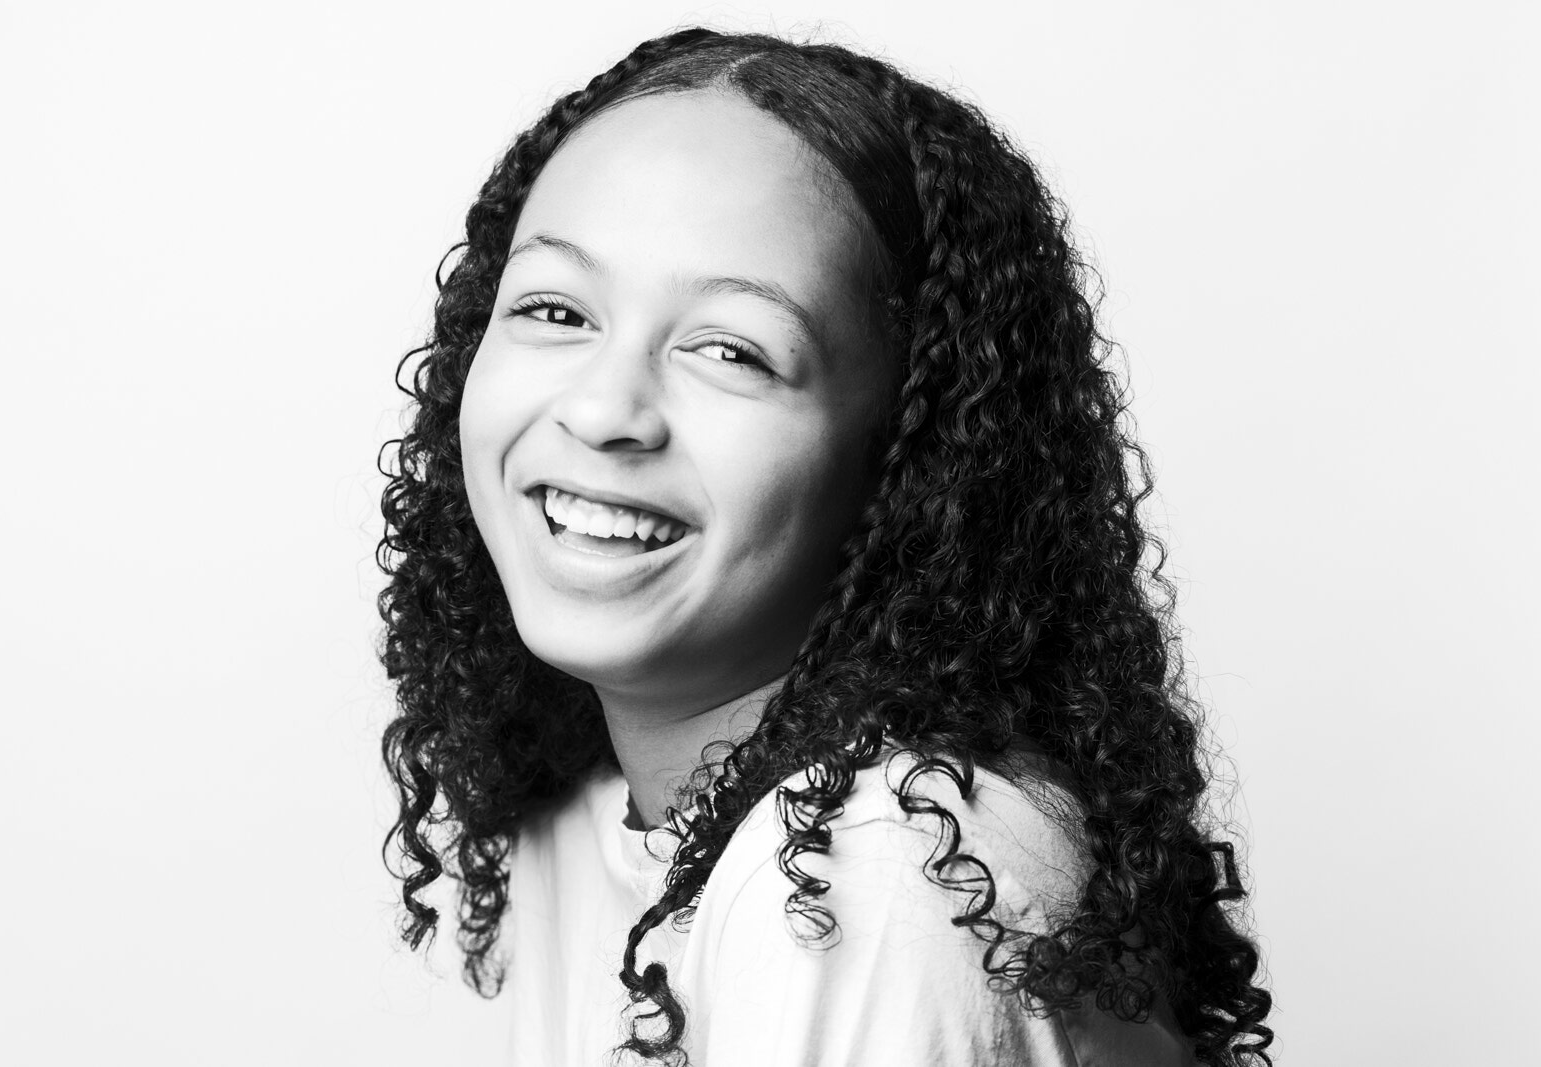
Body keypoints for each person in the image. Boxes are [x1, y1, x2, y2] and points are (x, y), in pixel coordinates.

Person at [376, 27, 1274, 1067]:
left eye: (732, 350)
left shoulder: (875, 874)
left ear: (905, 456)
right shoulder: (586, 810)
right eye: (553, 308)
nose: (603, 408)